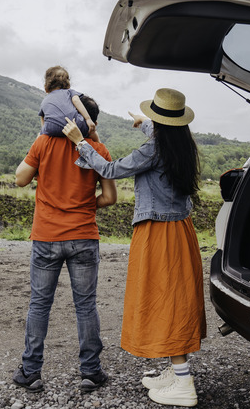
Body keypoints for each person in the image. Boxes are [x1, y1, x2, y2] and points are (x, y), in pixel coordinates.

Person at [63, 88, 206, 407]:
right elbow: (161, 136)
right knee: (174, 296)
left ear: (160, 123)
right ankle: (176, 370)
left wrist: (80, 143)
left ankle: (183, 383)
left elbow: (110, 170)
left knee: (165, 300)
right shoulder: (183, 145)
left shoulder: (153, 150)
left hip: (159, 232)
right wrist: (143, 123)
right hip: (180, 229)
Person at [12, 95, 116, 393]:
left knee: (40, 305)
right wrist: (81, 206)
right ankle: (91, 372)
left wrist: (42, 133)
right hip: (84, 236)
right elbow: (109, 198)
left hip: (46, 237)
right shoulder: (98, 149)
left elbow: (20, 179)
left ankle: (31, 372)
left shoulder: (43, 144)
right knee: (85, 306)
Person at [38, 65, 95, 138]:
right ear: (67, 84)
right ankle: (97, 142)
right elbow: (76, 100)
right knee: (91, 131)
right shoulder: (69, 92)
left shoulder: (44, 100)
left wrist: (43, 134)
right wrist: (88, 119)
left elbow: (42, 117)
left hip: (51, 130)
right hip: (74, 125)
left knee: (42, 132)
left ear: (46, 87)